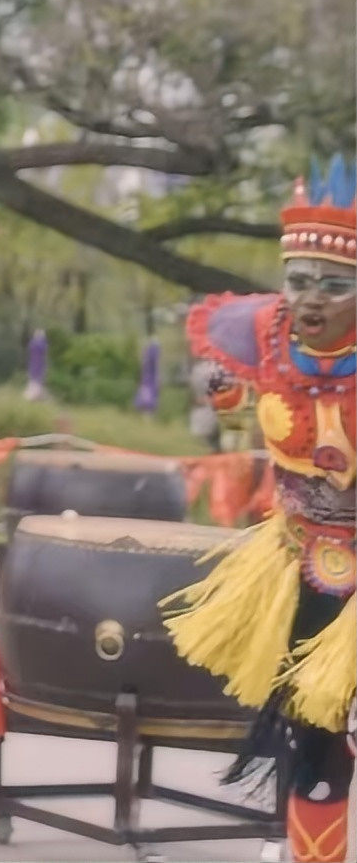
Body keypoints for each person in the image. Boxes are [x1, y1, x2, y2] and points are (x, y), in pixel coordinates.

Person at [166, 155, 355, 863]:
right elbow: (224, 398)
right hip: (302, 561)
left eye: (334, 285)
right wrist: (219, 393)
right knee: (313, 726)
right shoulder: (263, 331)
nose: (311, 299)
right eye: (299, 280)